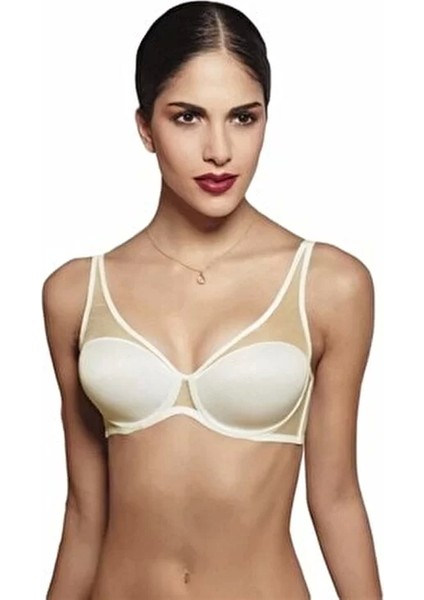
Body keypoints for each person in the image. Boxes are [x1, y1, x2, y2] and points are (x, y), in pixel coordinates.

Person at [42, 2, 383, 598]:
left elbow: (335, 497)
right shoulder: (76, 293)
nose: (219, 150)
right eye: (188, 117)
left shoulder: (329, 285)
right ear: (145, 127)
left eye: (243, 117)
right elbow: (83, 511)